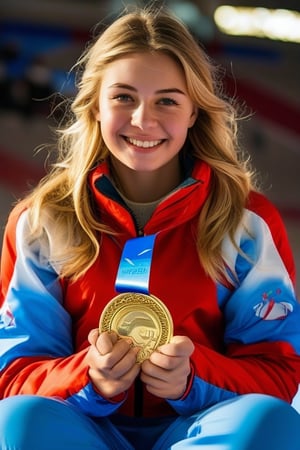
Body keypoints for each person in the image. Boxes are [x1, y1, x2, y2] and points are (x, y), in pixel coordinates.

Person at [0, 6, 300, 450]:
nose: (143, 119)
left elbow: (277, 369)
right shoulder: (42, 222)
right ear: (95, 106)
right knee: (16, 420)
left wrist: (193, 378)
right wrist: (89, 376)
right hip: (82, 430)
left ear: (194, 111)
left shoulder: (245, 223)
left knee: (271, 421)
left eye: (167, 100)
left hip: (201, 428)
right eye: (123, 97)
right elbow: (15, 373)